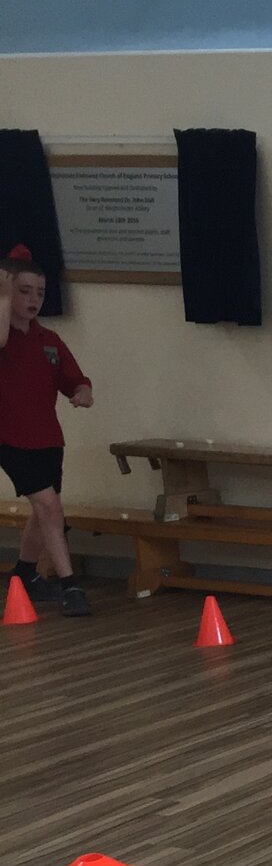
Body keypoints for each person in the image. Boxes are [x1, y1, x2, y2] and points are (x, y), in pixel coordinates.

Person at [1, 247, 94, 616]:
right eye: (23, 291)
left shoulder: (49, 341)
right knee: (50, 507)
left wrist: (81, 391)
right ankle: (71, 586)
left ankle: (24, 574)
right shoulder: (6, 338)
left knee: (45, 510)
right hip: (10, 437)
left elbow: (73, 378)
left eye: (39, 292)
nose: (33, 300)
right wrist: (3, 292)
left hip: (47, 438)